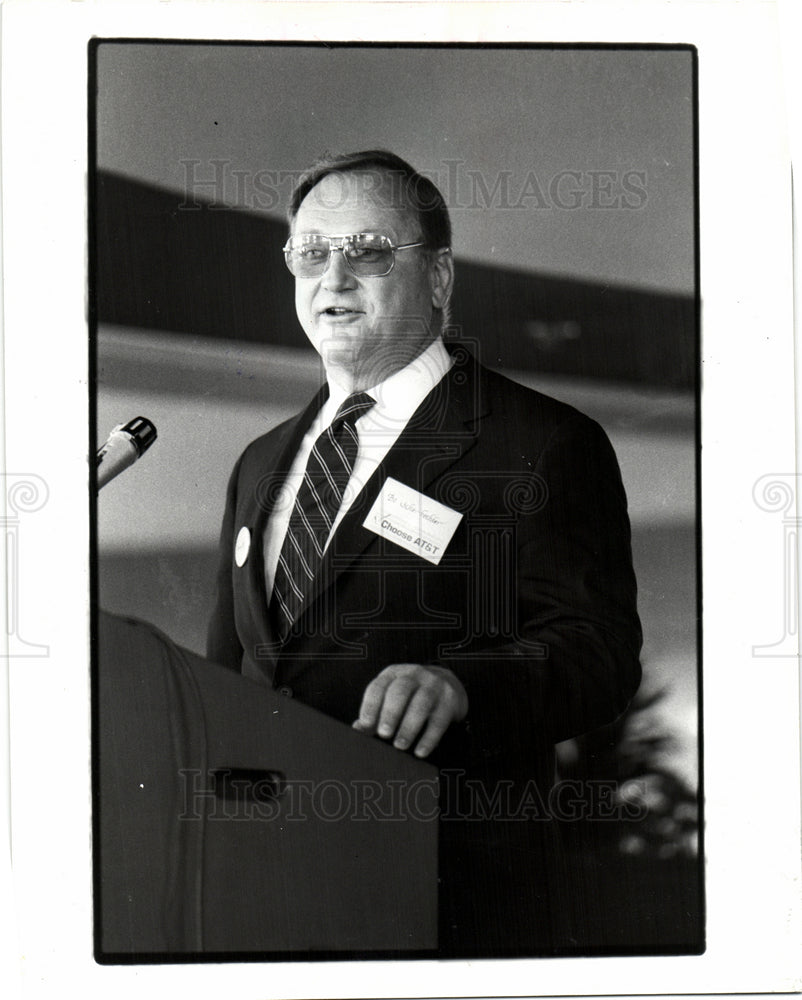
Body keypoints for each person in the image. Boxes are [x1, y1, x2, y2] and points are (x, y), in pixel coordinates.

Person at [208, 149, 642, 957]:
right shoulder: (260, 463)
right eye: (310, 252)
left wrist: (464, 686)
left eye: (368, 250)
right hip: (269, 893)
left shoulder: (541, 443)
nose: (332, 277)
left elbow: (600, 653)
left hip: (451, 898)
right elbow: (226, 675)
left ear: (440, 276)